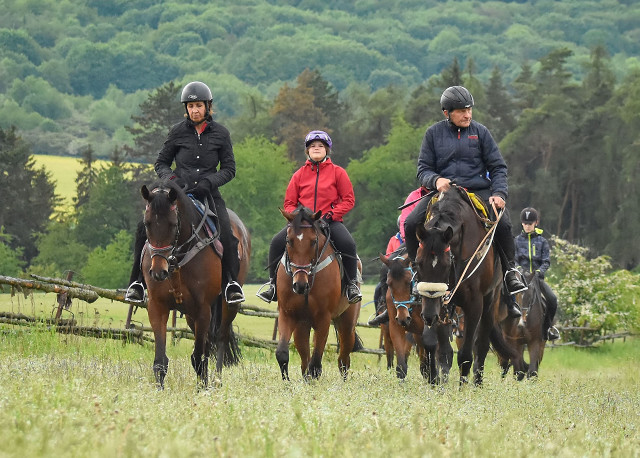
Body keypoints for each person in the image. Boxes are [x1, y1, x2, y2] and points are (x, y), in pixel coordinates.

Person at [403, 85, 526, 318]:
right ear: (446, 113)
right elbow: (423, 170)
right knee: (411, 223)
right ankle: (416, 271)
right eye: (461, 111)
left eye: (469, 109)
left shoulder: (481, 133)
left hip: (477, 192)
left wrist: (499, 194)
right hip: (444, 193)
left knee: (506, 225)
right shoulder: (433, 134)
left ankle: (510, 272)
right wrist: (436, 179)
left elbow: (498, 167)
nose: (467, 115)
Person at [125, 81, 245, 305]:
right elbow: (161, 163)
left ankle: (230, 283)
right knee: (144, 226)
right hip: (175, 194)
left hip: (207, 193)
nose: (194, 110)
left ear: (208, 107)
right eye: (190, 106)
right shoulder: (177, 132)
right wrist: (172, 180)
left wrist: (210, 182)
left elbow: (229, 170)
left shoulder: (221, 134)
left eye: (198, 105)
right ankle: (137, 284)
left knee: (227, 235)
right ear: (186, 109)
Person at [256, 130, 362, 304]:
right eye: (313, 146)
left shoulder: (338, 172)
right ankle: (272, 285)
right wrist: (297, 216)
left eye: (321, 146)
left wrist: (331, 215)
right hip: (302, 224)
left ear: (327, 150)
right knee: (276, 242)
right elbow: (289, 202)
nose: (317, 148)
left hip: (329, 221)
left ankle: (351, 286)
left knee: (348, 244)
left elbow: (348, 200)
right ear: (307, 150)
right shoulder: (298, 175)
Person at [515, 207, 560, 341]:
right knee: (503, 298)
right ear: (522, 224)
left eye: (530, 223)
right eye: (525, 223)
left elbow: (546, 261)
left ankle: (548, 328)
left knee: (552, 299)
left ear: (536, 223)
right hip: (520, 280)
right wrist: (520, 270)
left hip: (536, 279)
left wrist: (539, 271)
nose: (527, 226)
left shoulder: (543, 242)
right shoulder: (516, 240)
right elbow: (514, 259)